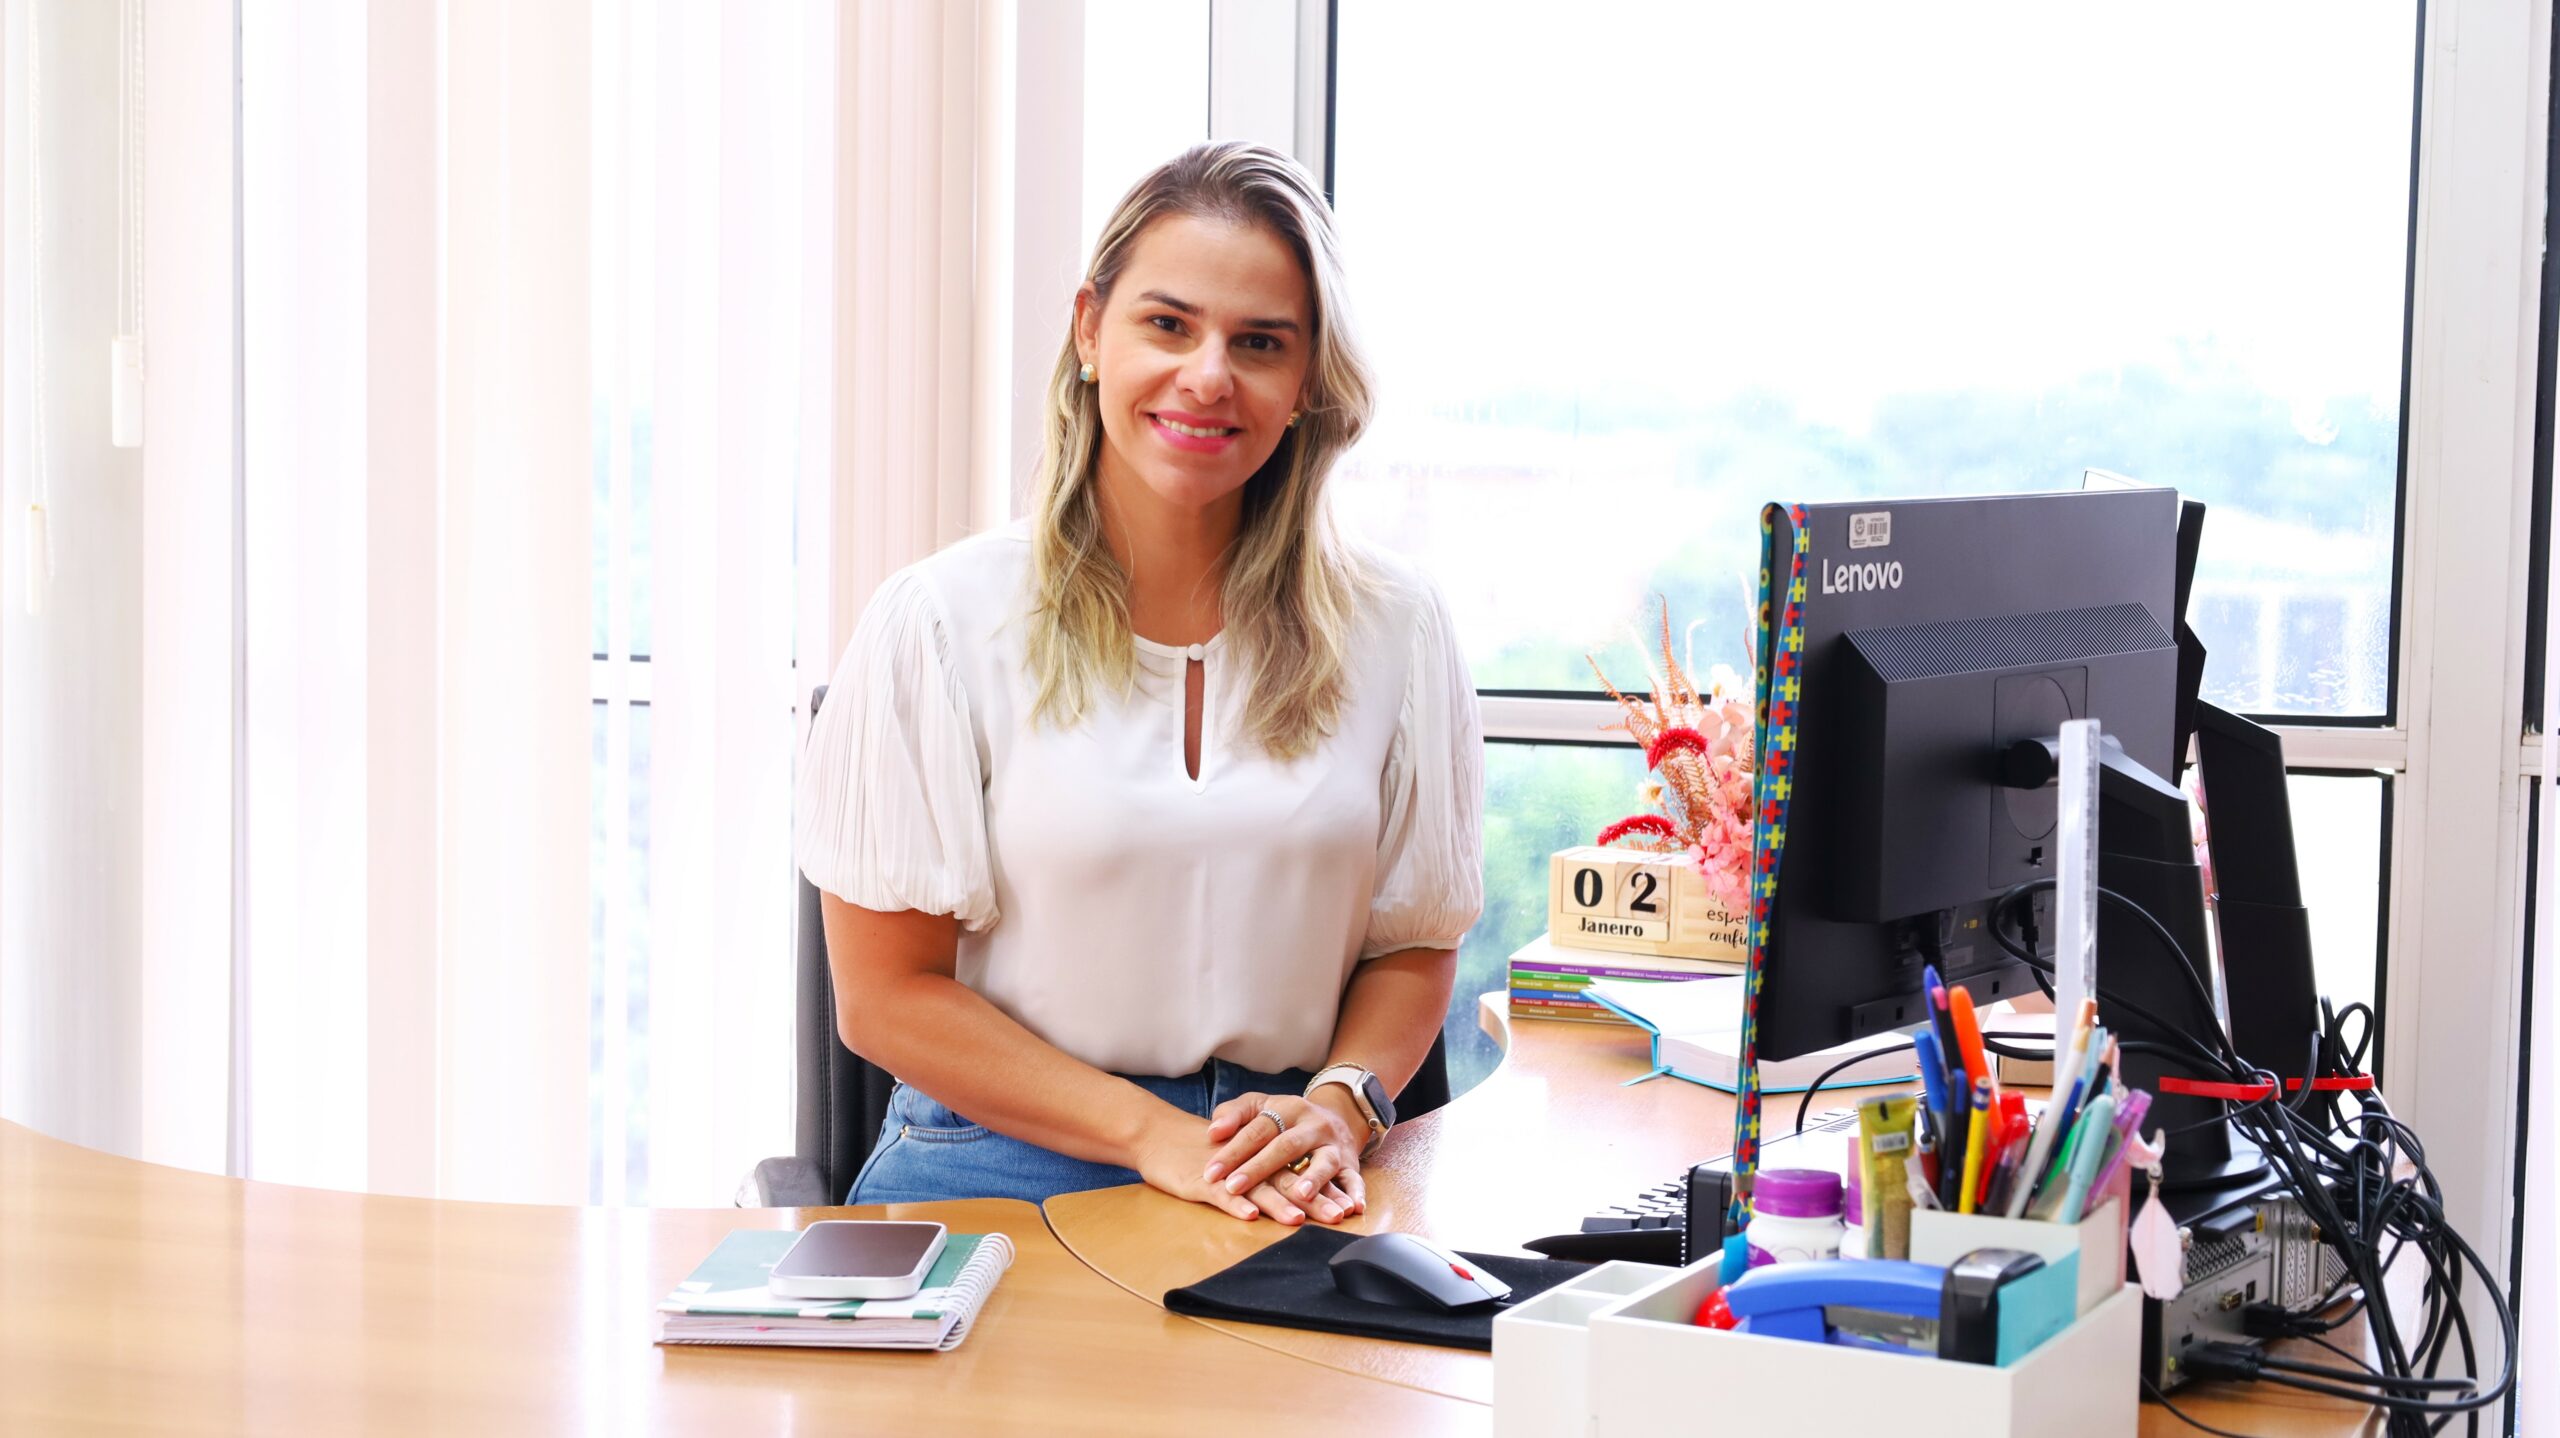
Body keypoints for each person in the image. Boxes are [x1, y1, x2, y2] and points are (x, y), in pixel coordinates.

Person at [793, 141, 1482, 1227]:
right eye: (1168, 324)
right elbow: (884, 1000)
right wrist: (1153, 1137)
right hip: (1000, 1160)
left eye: (1259, 343)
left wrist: (1341, 1102)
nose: (1209, 374)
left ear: (1304, 384)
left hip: (1286, 1167)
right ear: (1088, 331)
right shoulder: (938, 619)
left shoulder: (1395, 626)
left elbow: (1412, 941)